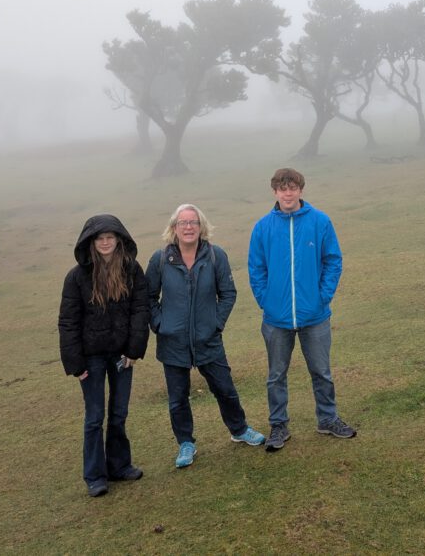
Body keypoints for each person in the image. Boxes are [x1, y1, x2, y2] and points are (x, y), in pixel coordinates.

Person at [146, 203, 265, 469]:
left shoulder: (215, 255)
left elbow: (228, 294)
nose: (188, 227)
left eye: (194, 222)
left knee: (225, 389)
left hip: (208, 339)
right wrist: (160, 324)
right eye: (183, 222)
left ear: (201, 227)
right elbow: (148, 297)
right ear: (174, 227)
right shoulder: (160, 259)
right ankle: (185, 443)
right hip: (173, 342)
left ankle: (239, 429)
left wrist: (215, 324)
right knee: (177, 399)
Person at [248, 168, 356, 452]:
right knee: (276, 375)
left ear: (300, 190)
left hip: (315, 315)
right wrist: (266, 301)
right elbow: (256, 269)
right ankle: (278, 425)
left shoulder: (320, 221)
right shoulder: (262, 227)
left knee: (321, 371)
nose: (288, 193)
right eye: (282, 188)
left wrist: (323, 297)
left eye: (292, 187)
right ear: (275, 191)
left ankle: (328, 419)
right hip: (276, 318)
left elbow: (333, 261)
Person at [59, 214, 150, 498]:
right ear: (91, 242)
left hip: (122, 354)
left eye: (110, 237)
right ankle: (95, 476)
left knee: (119, 413)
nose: (105, 242)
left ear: (119, 239)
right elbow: (68, 322)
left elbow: (140, 310)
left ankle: (119, 466)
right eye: (100, 238)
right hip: (91, 358)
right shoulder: (76, 277)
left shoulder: (132, 270)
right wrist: (75, 364)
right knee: (94, 417)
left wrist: (134, 350)